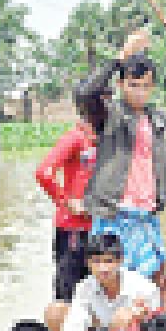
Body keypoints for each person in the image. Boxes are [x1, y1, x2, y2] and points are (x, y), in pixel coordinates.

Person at [75, 29, 166, 288]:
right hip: (113, 214)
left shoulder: (158, 120)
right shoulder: (109, 115)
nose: (139, 92)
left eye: (145, 86)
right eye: (133, 85)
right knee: (111, 285)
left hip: (146, 217)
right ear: (121, 85)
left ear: (152, 87)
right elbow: (87, 94)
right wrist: (122, 56)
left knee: (154, 283)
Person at [34, 102, 98, 306]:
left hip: (100, 227)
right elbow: (44, 172)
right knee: (68, 291)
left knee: (96, 289)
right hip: (73, 226)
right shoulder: (75, 138)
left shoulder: (105, 140)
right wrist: (66, 202)